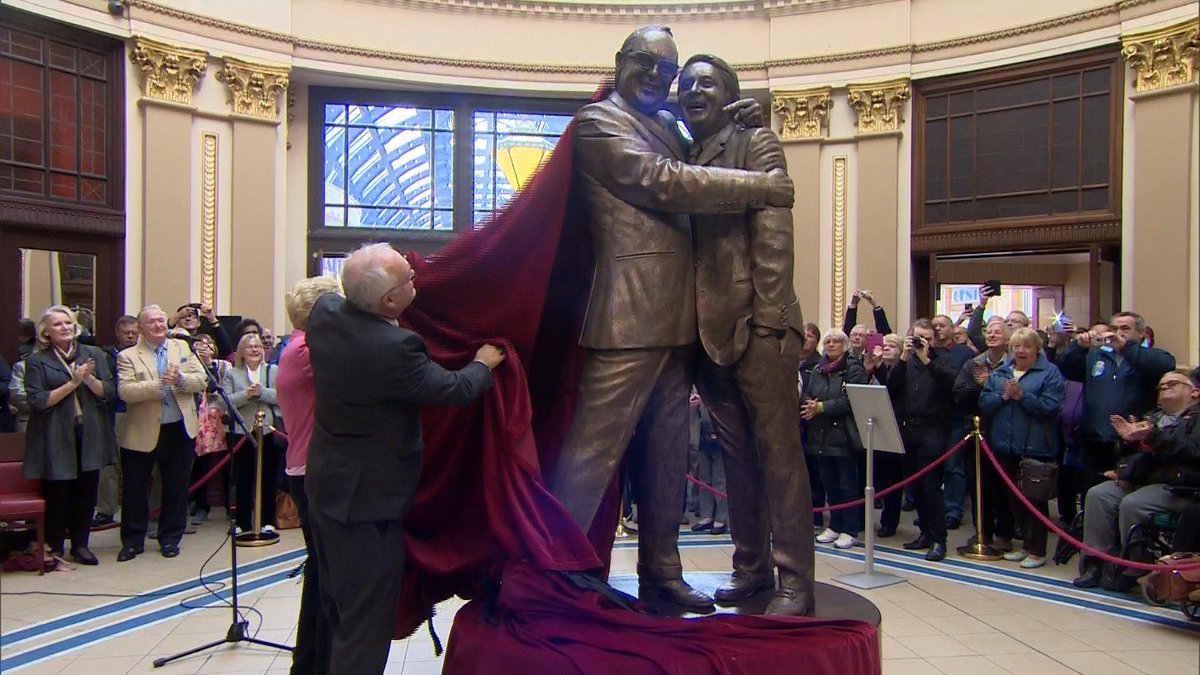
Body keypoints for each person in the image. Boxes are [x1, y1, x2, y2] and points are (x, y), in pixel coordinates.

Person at [545, 25, 794, 611]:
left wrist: (752, 122)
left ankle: (661, 572)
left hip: (682, 317)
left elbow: (708, 146)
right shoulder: (599, 122)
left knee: (668, 454)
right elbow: (664, 183)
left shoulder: (668, 126)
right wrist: (763, 186)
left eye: (669, 69)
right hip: (628, 315)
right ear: (621, 62)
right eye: (648, 64)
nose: (659, 76)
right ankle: (551, 575)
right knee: (591, 452)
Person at [305, 243, 503, 675]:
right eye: (409, 278)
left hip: (325, 491)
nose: (417, 278)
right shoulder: (394, 348)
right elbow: (453, 390)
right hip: (365, 507)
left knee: (331, 608)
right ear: (389, 302)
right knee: (364, 625)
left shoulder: (324, 316)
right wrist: (483, 364)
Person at [678, 53, 813, 615]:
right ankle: (750, 568)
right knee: (738, 461)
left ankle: (796, 583)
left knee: (779, 459)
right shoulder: (683, 153)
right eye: (686, 84)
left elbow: (774, 236)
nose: (693, 91)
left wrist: (770, 319)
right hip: (708, 334)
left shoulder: (755, 143)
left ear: (729, 94)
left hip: (760, 327)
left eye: (706, 83)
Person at [1073, 367, 1200, 589]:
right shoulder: (1152, 418)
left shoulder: (1195, 419)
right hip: (1144, 479)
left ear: (1194, 392)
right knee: (1099, 495)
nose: (1165, 388)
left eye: (1173, 384)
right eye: (1161, 387)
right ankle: (1095, 562)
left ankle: (1133, 568)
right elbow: (1133, 456)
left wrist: (1153, 437)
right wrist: (1127, 444)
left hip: (1177, 484)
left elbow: (1192, 453)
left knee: (1133, 504)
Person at [277, 275, 342, 675]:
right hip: (314, 471)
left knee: (321, 573)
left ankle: (310, 664)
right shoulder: (310, 351)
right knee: (326, 579)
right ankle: (315, 664)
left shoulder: (295, 347)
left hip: (303, 468)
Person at [22, 305, 117, 565]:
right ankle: (54, 547)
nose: (64, 327)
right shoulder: (36, 361)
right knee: (58, 491)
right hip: (55, 434)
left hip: (89, 431)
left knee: (87, 490)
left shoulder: (93, 353)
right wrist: (73, 383)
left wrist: (88, 380)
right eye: (57, 324)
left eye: (68, 323)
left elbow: (108, 391)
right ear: (45, 333)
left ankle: (81, 545)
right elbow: (39, 401)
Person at [115, 305, 206, 561]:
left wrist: (180, 381)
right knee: (135, 488)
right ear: (141, 328)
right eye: (152, 322)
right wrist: (159, 385)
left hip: (178, 428)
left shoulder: (183, 349)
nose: (158, 325)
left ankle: (170, 538)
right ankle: (132, 541)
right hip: (141, 431)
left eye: (160, 320)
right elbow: (126, 392)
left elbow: (201, 380)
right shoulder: (128, 356)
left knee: (176, 487)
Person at [1057, 311, 1176, 490]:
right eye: (1114, 328)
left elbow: (1166, 366)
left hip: (1132, 445)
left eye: (1125, 328)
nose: (1118, 333)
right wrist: (1078, 347)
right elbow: (1066, 369)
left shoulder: (1148, 357)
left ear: (1141, 333)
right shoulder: (1096, 356)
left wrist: (1126, 347)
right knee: (1092, 496)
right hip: (1095, 441)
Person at [978, 328, 1065, 569]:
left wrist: (1022, 396)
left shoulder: (1049, 373)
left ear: (1036, 349)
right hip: (1004, 446)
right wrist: (1004, 397)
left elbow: (1051, 406)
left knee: (1033, 499)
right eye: (1016, 346)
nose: (1020, 351)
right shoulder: (1001, 373)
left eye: (1026, 346)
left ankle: (1038, 550)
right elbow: (985, 403)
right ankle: (1026, 545)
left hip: (1035, 446)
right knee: (1012, 498)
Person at [887, 319, 958, 561]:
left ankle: (939, 539)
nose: (921, 342)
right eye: (917, 337)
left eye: (926, 337)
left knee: (930, 486)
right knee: (914, 487)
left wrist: (926, 358)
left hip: (933, 430)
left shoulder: (943, 361)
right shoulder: (905, 363)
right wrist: (905, 357)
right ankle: (925, 533)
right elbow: (891, 387)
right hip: (907, 429)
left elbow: (950, 385)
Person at [802, 329, 868, 550]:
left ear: (845, 345)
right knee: (829, 483)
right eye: (828, 341)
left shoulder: (853, 369)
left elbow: (851, 399)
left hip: (843, 435)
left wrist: (821, 407)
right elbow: (808, 393)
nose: (831, 344)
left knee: (847, 484)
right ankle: (835, 524)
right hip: (820, 435)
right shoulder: (818, 369)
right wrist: (810, 405)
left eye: (836, 341)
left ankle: (850, 528)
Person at [222, 332, 284, 534]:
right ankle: (242, 522)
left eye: (258, 346)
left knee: (268, 477)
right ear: (241, 351)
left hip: (269, 430)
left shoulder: (273, 371)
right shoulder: (232, 374)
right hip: (242, 433)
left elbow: (282, 395)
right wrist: (246, 394)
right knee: (244, 478)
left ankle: (267, 520)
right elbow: (225, 401)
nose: (255, 350)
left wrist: (262, 392)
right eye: (250, 347)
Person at [94, 314, 139, 528]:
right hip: (116, 412)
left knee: (138, 465)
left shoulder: (144, 354)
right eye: (126, 333)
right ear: (117, 334)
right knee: (111, 464)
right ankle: (106, 509)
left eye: (134, 333)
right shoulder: (106, 356)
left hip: (142, 412)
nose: (131, 336)